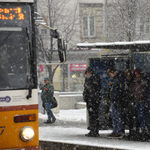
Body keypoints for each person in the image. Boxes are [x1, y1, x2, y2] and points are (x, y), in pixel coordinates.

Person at [83, 66, 101, 137]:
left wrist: (87, 97)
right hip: (92, 100)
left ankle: (94, 130)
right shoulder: (94, 78)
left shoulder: (91, 79)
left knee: (93, 116)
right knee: (93, 115)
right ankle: (94, 130)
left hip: (92, 100)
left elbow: (90, 89)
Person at [107, 67, 125, 138]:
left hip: (116, 101)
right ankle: (115, 130)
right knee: (113, 116)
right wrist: (112, 85)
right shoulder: (115, 80)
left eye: (111, 74)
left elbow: (120, 90)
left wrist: (117, 99)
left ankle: (119, 131)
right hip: (114, 100)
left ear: (114, 72)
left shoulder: (119, 79)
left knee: (117, 116)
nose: (110, 75)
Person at [133, 68, 149, 140]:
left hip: (142, 100)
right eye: (135, 74)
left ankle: (145, 130)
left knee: (143, 116)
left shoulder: (143, 81)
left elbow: (146, 89)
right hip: (138, 100)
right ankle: (143, 129)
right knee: (140, 116)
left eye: (137, 74)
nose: (137, 75)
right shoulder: (136, 81)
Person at [123, 69, 139, 140]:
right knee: (130, 117)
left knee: (133, 117)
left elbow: (132, 91)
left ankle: (134, 132)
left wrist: (128, 95)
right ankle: (132, 132)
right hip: (129, 101)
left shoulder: (132, 82)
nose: (127, 77)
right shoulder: (128, 81)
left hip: (132, 101)